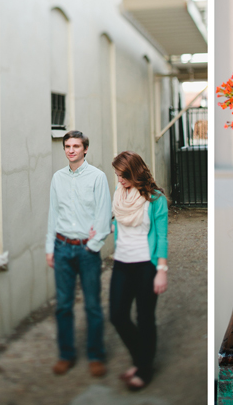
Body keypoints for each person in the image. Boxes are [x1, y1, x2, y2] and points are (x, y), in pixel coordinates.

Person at [45, 130, 112, 377]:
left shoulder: (98, 177)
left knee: (92, 305)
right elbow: (53, 214)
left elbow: (104, 216)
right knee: (63, 305)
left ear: (85, 149)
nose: (71, 150)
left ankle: (95, 356)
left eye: (76, 146)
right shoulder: (57, 178)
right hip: (62, 247)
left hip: (86, 249)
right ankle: (66, 355)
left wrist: (92, 246)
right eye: (67, 146)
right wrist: (49, 248)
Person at [109, 151, 169, 390]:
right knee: (117, 315)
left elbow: (162, 236)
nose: (120, 180)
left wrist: (162, 269)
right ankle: (141, 358)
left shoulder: (156, 200)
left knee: (145, 318)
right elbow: (118, 221)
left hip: (147, 265)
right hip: (122, 263)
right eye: (117, 175)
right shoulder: (119, 194)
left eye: (123, 175)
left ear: (135, 172)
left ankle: (143, 369)